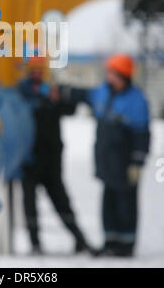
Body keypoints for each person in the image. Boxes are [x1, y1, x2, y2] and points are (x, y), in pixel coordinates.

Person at [61, 54, 150, 257]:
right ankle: (110, 241)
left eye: (113, 74)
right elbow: (83, 95)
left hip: (125, 163)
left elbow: (142, 134)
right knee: (108, 203)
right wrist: (61, 91)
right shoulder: (103, 93)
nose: (109, 77)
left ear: (123, 76)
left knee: (126, 204)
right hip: (107, 162)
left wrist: (137, 162)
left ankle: (126, 244)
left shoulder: (136, 101)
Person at [18, 56, 92, 255]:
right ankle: (35, 243)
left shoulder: (51, 91)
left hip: (51, 159)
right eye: (34, 70)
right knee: (30, 204)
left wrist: (58, 98)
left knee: (61, 200)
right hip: (30, 159)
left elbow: (71, 109)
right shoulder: (21, 92)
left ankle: (79, 239)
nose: (37, 74)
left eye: (40, 70)